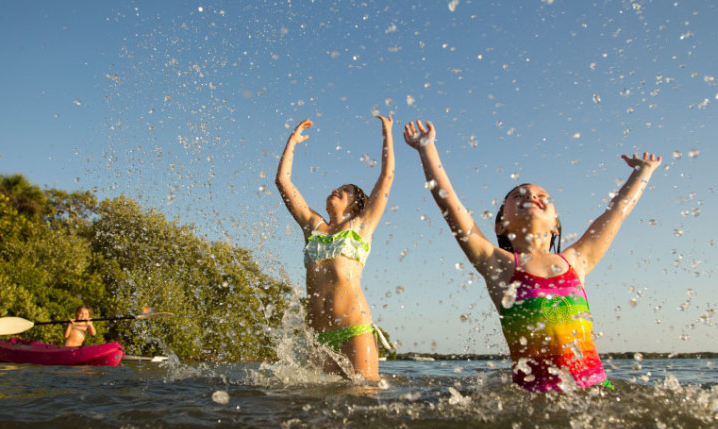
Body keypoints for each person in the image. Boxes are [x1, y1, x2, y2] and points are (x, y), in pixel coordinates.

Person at [403, 119, 662, 391]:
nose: (531, 195)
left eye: (543, 195)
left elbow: (616, 213)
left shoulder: (576, 260)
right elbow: (450, 203)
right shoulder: (499, 265)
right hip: (536, 400)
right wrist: (426, 149)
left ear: (555, 225)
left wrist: (642, 172)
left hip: (595, 392)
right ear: (500, 224)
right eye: (518, 196)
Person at [276, 116, 395, 382]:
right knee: (323, 405)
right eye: (336, 187)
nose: (336, 190)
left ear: (357, 204)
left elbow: (387, 177)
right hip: (318, 336)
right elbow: (283, 182)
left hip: (355, 329)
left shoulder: (362, 226)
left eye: (345, 190)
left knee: (363, 399)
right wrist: (292, 142)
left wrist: (387, 131)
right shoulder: (312, 226)